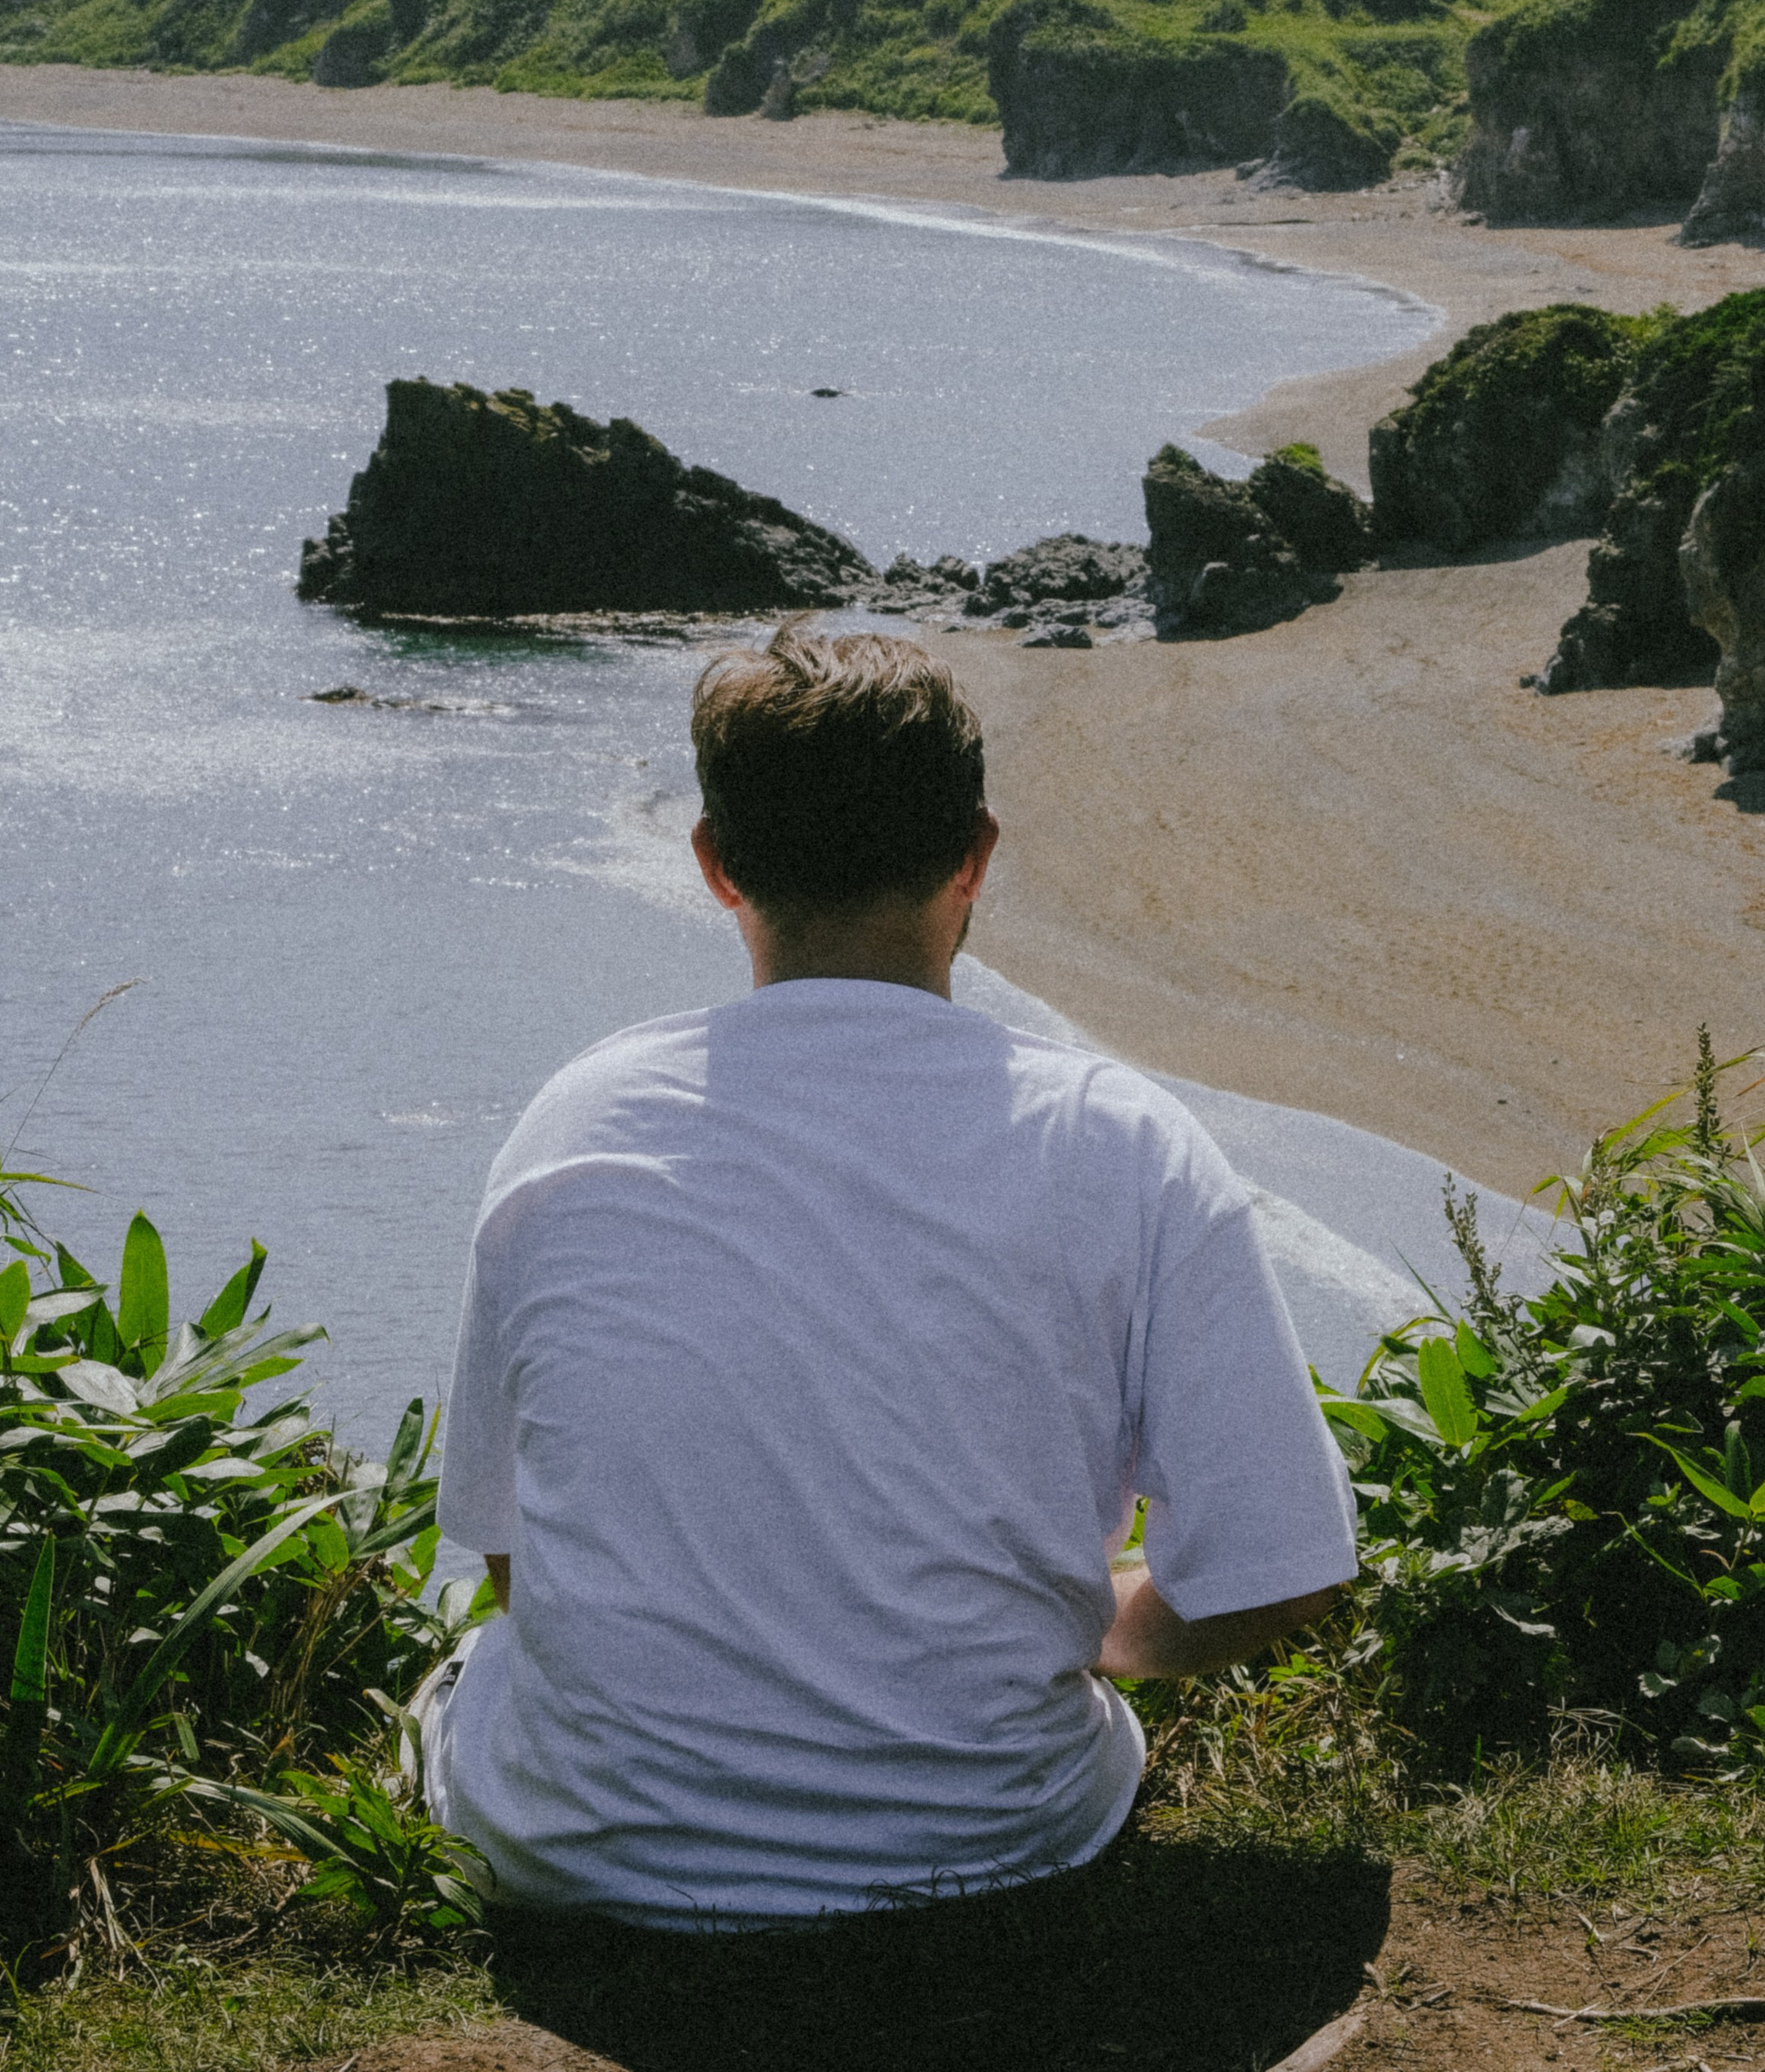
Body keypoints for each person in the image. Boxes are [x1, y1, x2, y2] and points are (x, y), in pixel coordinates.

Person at [423, 625, 1357, 1928]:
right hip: (996, 1837)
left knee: (461, 1683)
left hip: (595, 1852)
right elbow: (1281, 1573)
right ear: (974, 855)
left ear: (714, 865)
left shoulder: (577, 1122)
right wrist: (1098, 1629)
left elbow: (514, 1562)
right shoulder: (1120, 1143)